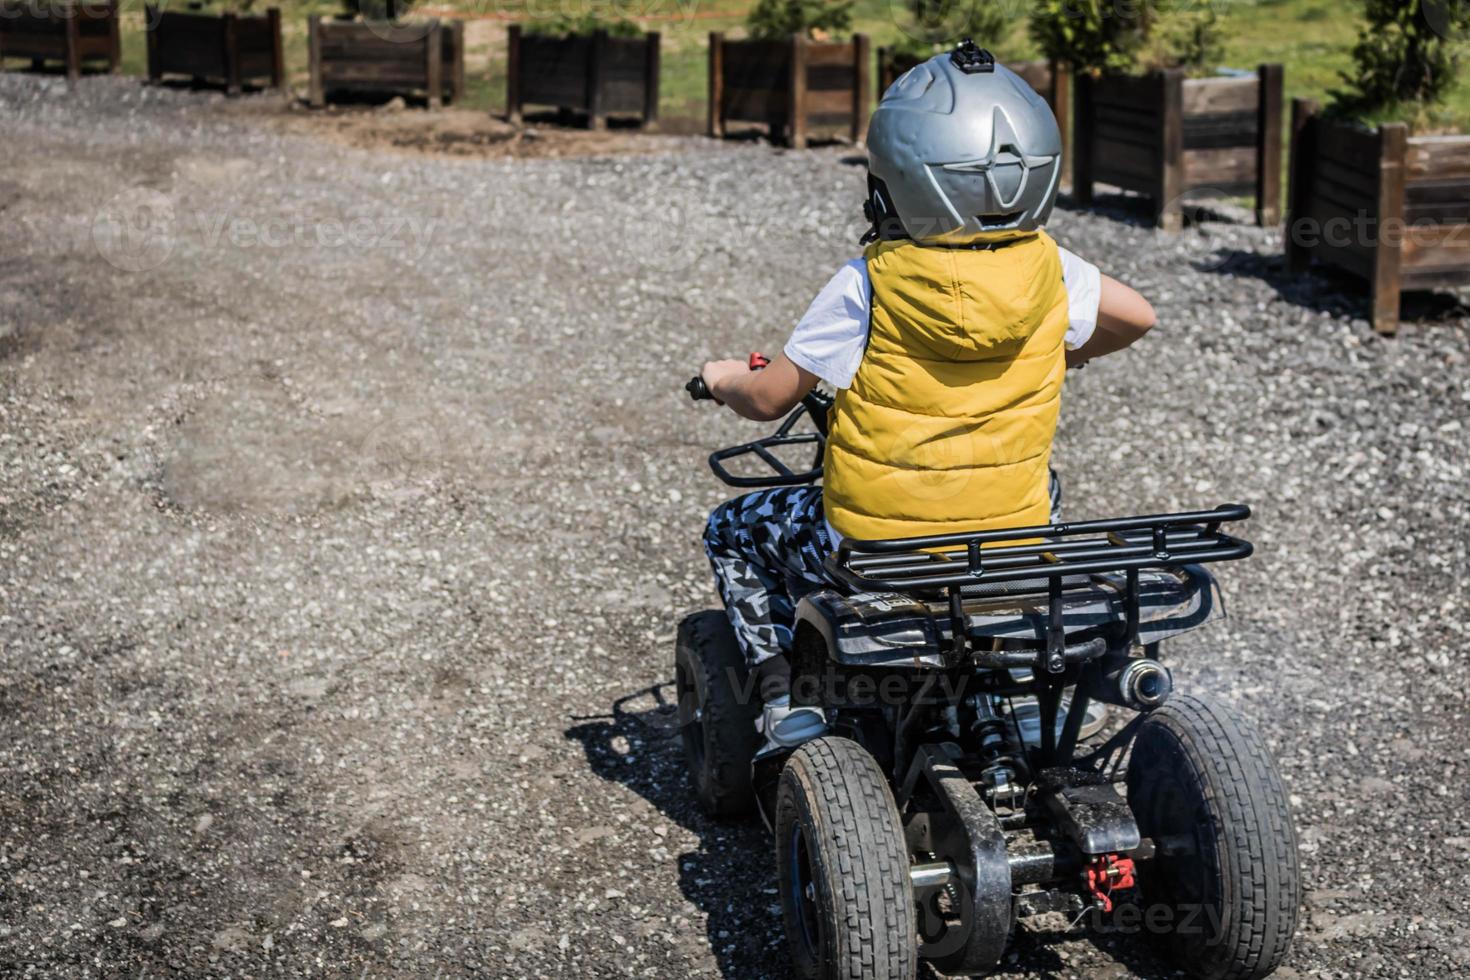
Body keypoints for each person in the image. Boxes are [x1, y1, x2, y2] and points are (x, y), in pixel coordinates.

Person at [700, 41, 1157, 752]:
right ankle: (1021, 695)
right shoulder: (1050, 269)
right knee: (1043, 485)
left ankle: (782, 697)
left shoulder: (868, 282)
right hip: (1006, 542)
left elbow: (767, 399)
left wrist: (723, 374)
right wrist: (1063, 349)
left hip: (878, 550)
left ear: (900, 182)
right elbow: (1138, 316)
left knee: (733, 530)